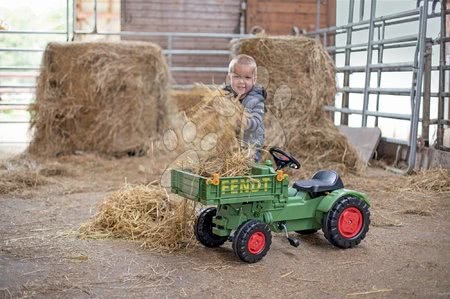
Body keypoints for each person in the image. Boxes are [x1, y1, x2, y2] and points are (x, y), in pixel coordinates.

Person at [224, 54, 266, 162]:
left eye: (247, 77)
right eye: (237, 76)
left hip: (250, 148)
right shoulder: (225, 96)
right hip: (229, 147)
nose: (241, 81)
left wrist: (240, 120)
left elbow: (256, 123)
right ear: (230, 78)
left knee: (248, 171)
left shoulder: (256, 101)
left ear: (254, 80)